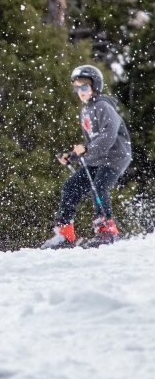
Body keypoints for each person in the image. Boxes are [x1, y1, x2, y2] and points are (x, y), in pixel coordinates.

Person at [42, 65, 132, 249]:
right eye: (77, 87)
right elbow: (90, 143)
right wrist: (72, 155)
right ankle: (65, 234)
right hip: (98, 158)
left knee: (99, 187)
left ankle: (107, 231)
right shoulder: (86, 110)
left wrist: (86, 148)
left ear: (95, 86)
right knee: (70, 186)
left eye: (84, 86)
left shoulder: (103, 106)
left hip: (115, 156)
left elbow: (108, 136)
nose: (80, 91)